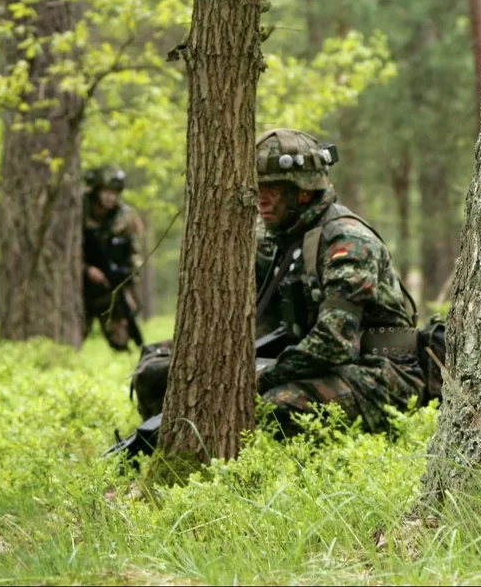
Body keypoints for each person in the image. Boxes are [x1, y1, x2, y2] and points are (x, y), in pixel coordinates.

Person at [131, 129, 428, 438]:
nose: (261, 199)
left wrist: (257, 377)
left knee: (277, 406)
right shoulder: (283, 241)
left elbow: (335, 342)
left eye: (272, 189)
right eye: (258, 187)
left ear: (302, 191)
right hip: (323, 365)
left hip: (383, 375)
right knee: (157, 372)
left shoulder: (347, 241)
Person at [82, 165, 144, 352]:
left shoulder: (124, 217)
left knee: (121, 341)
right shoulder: (79, 209)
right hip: (79, 285)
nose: (110, 197)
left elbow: (134, 255)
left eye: (114, 193)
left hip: (110, 288)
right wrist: (86, 269)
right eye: (106, 192)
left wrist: (129, 288)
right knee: (74, 337)